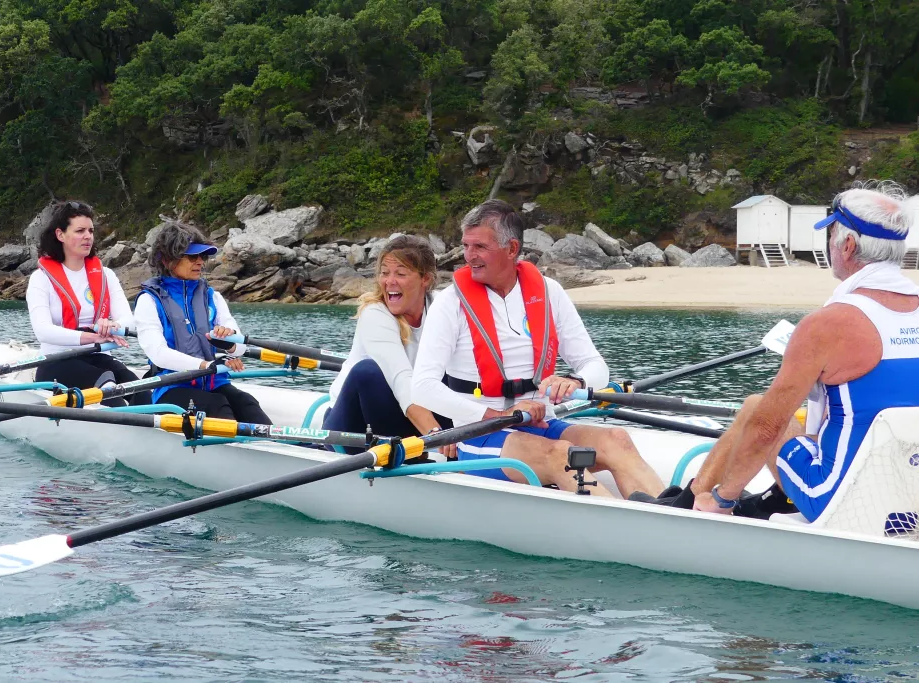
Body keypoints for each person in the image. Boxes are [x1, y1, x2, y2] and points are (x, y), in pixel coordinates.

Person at [671, 184, 919, 520]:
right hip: (908, 488)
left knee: (765, 413)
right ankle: (761, 498)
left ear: (846, 246)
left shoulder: (828, 324)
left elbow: (766, 429)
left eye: (830, 236)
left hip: (844, 502)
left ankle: (704, 501)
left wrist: (724, 499)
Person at [411, 199, 665, 497]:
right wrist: (499, 415)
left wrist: (574, 381)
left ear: (512, 249)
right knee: (561, 455)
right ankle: (633, 530)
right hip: (479, 436)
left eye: (479, 247)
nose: (469, 256)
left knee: (617, 439)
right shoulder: (449, 303)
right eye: (466, 246)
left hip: (543, 423)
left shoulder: (549, 292)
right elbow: (423, 387)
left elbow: (596, 366)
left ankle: (673, 519)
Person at [323, 235, 454, 456]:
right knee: (368, 372)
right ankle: (430, 452)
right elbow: (403, 382)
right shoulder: (375, 314)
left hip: (407, 416)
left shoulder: (443, 307)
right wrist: (436, 434)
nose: (389, 281)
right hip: (351, 427)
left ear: (426, 279)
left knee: (452, 375)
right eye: (385, 273)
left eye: (400, 274)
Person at [135, 222, 271, 423]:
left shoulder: (212, 297)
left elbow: (240, 348)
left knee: (247, 403)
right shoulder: (149, 301)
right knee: (216, 406)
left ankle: (291, 449)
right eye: (192, 256)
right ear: (166, 259)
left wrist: (229, 344)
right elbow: (158, 354)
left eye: (203, 256)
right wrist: (206, 364)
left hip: (214, 381)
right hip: (172, 387)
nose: (200, 262)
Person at [26, 200, 140, 406]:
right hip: (55, 362)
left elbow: (129, 321)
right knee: (107, 386)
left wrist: (115, 326)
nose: (88, 236)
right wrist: (93, 336)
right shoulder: (40, 279)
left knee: (141, 390)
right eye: (80, 231)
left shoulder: (106, 275)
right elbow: (43, 331)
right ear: (60, 235)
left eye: (90, 230)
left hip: (94, 357)